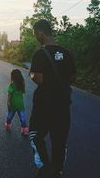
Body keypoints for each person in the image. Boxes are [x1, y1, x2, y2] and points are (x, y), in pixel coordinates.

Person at [28, 19, 76, 178]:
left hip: (44, 105)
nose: (36, 37)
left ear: (41, 33)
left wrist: (32, 73)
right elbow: (73, 78)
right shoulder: (67, 54)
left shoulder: (40, 54)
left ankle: (45, 167)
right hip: (62, 105)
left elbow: (38, 78)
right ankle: (57, 171)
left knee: (35, 134)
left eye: (35, 34)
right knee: (59, 140)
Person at [5, 69, 29, 136]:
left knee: (22, 119)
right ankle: (8, 125)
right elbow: (9, 95)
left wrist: (8, 103)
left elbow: (9, 96)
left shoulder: (21, 85)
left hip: (20, 106)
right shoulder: (12, 85)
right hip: (13, 106)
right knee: (11, 117)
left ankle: (24, 130)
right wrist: (8, 103)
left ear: (13, 77)